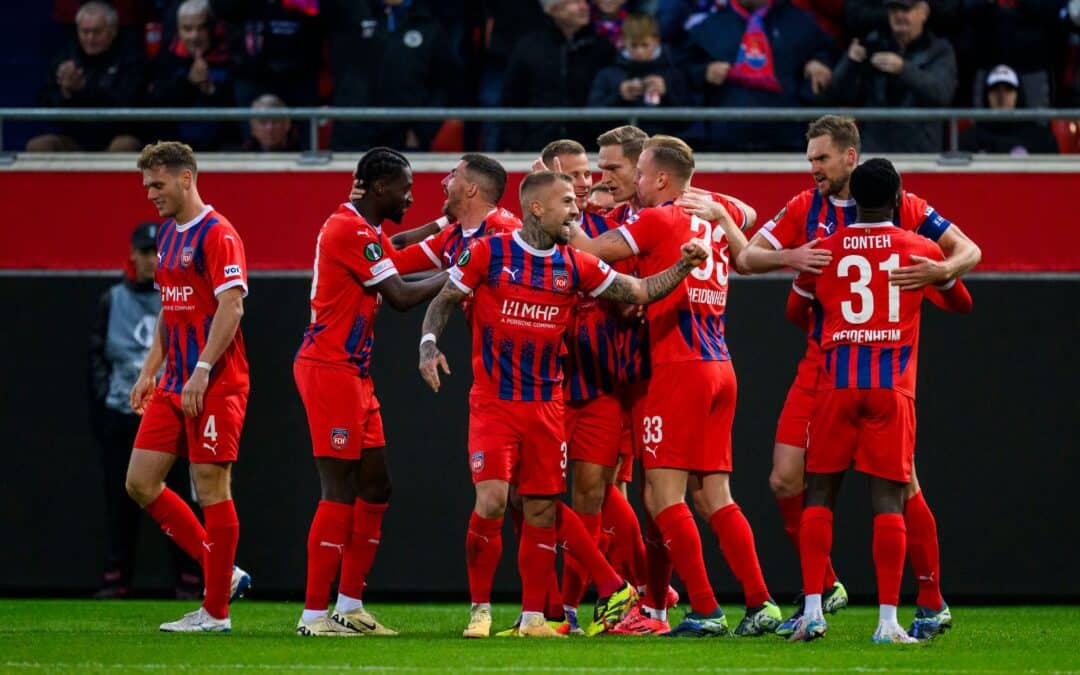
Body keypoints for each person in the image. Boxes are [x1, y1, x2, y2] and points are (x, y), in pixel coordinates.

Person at [418, 171, 709, 637]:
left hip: (546, 407)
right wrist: (429, 344)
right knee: (492, 502)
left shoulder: (575, 264)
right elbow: (446, 299)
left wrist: (684, 266)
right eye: (568, 202)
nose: (576, 210)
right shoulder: (490, 253)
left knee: (539, 510)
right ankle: (480, 609)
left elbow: (637, 292)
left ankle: (535, 617)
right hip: (494, 402)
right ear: (537, 208)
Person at [736, 115, 980, 639]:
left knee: (883, 486)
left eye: (821, 158)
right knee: (788, 479)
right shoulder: (808, 206)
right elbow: (749, 256)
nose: (813, 169)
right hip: (837, 368)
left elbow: (969, 249)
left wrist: (939, 269)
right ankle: (831, 593)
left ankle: (928, 597)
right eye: (810, 159)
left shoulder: (903, 207)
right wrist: (791, 256)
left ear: (851, 157)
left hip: (847, 365)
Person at [567, 135, 781, 638]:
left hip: (676, 366)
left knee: (663, 497)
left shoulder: (658, 218)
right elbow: (746, 214)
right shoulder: (712, 212)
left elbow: (591, 253)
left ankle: (705, 610)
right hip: (720, 364)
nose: (633, 184)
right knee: (714, 496)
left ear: (662, 179)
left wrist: (564, 208)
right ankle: (760, 602)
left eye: (639, 175)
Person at [292, 148, 452, 637]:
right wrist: (467, 271)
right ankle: (314, 616)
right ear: (381, 188)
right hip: (329, 369)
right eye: (406, 187)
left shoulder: (362, 229)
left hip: (354, 373)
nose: (411, 195)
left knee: (377, 487)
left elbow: (391, 246)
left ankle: (349, 606)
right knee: (337, 488)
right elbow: (401, 296)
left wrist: (437, 228)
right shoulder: (348, 229)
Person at [124, 141, 251, 632]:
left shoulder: (218, 234)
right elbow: (170, 307)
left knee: (211, 488)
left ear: (185, 179)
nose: (151, 194)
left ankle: (216, 612)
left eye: (157, 184)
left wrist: (201, 369)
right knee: (140, 481)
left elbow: (232, 307)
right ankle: (224, 570)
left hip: (215, 382)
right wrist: (148, 370)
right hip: (174, 381)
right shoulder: (166, 235)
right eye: (147, 186)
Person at [89, 222, 202, 600]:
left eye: (158, 252)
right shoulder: (112, 300)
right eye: (145, 252)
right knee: (121, 498)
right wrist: (107, 395)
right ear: (132, 255)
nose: (152, 259)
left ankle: (191, 577)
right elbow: (96, 355)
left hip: (171, 407)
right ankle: (116, 578)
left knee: (182, 497)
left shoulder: (177, 298)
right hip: (121, 410)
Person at [684, 0, 836, 151]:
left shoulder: (799, 22)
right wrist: (704, 71)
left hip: (788, 141)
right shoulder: (708, 27)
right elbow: (683, 71)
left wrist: (819, 62)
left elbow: (829, 51)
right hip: (727, 143)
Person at [828, 0, 957, 153]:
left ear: (924, 12)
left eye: (906, 9)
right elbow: (840, 94)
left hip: (921, 155)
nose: (899, 16)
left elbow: (941, 93)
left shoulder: (939, 51)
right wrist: (849, 63)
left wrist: (903, 68)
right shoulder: (873, 44)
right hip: (875, 152)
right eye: (894, 10)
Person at [499, 0, 616, 151]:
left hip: (590, 148)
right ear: (552, 10)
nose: (584, 7)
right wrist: (512, 143)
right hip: (537, 146)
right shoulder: (528, 47)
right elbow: (512, 99)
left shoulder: (603, 47)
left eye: (584, 1)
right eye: (573, 2)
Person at [30, 1, 143, 152]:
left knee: (124, 145)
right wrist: (65, 93)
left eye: (97, 32)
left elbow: (128, 104)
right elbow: (44, 101)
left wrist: (84, 90)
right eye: (85, 32)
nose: (90, 38)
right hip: (76, 138)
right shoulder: (66, 57)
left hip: (116, 135)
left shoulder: (130, 58)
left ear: (113, 30)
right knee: (39, 145)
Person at [389, 154, 522, 275]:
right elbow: (392, 263)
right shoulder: (451, 235)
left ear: (471, 189)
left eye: (453, 176)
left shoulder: (507, 233)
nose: (444, 183)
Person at [147, 0, 234, 150]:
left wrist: (211, 90)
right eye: (187, 29)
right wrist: (188, 82)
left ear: (212, 28)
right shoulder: (166, 59)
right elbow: (157, 107)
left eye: (201, 28)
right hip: (175, 151)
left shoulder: (230, 55)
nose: (194, 36)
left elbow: (235, 118)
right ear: (178, 30)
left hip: (221, 149)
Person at [587, 12, 691, 137]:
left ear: (657, 40)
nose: (639, 51)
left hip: (661, 151)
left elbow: (687, 122)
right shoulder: (608, 75)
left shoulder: (674, 74)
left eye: (645, 45)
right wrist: (619, 97)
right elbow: (592, 120)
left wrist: (666, 94)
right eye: (634, 45)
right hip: (620, 150)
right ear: (624, 41)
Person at [959, 65, 1059, 155]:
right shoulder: (969, 141)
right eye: (995, 89)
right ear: (986, 96)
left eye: (1008, 89)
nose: (1001, 96)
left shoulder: (1041, 140)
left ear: (1018, 95)